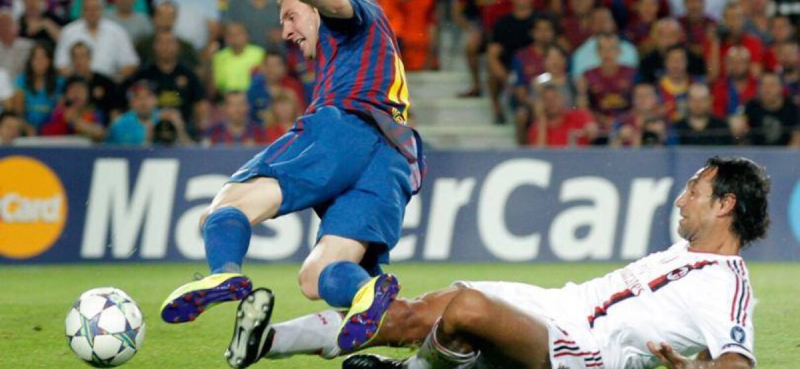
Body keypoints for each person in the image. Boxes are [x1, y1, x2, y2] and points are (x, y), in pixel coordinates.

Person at [226, 156, 768, 369]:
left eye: (694, 190)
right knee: (412, 312)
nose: (680, 199)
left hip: (584, 353)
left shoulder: (727, 284)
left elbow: (736, 363)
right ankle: (265, 342)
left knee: (467, 309)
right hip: (556, 307)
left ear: (726, 205)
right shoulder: (686, 252)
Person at [161, 0, 425, 369]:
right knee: (317, 276)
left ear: (314, 5)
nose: (286, 31)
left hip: (345, 130)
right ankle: (365, 293)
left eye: (290, 16)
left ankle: (224, 271)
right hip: (394, 160)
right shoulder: (361, 54)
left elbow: (334, 0)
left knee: (227, 206)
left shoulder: (353, 14)